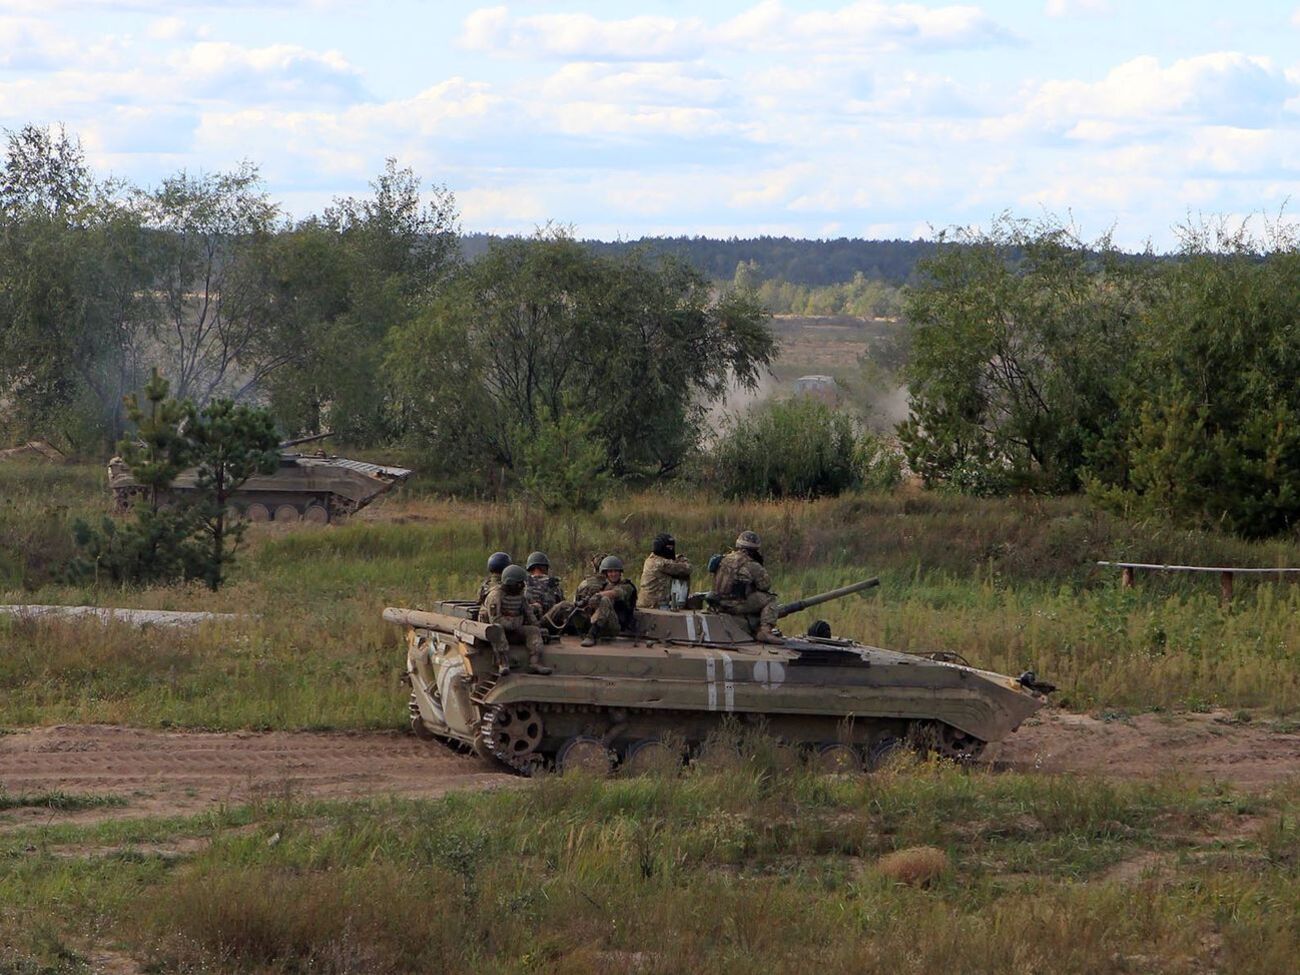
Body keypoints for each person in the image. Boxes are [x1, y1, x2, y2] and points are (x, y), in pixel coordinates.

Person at [480, 564, 553, 675]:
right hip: (497, 632)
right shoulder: (496, 596)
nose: (523, 585)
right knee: (497, 629)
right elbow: (495, 619)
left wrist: (538, 627)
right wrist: (514, 623)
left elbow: (528, 613)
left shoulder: (520, 596)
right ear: (511, 583)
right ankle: (503, 662)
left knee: (533, 631)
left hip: (514, 629)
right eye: (520, 583)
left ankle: (535, 662)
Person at [712, 530, 782, 644]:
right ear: (755, 549)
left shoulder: (722, 559)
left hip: (718, 603)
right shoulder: (752, 565)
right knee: (770, 598)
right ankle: (765, 631)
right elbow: (765, 586)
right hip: (735, 606)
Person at [578, 555, 637, 646]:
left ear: (620, 572)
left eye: (616, 571)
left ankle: (591, 635)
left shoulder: (627, 586)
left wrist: (598, 595)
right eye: (610, 571)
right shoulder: (604, 586)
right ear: (605, 573)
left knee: (605, 600)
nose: (613, 574)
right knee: (565, 606)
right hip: (598, 621)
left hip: (614, 626)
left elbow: (616, 593)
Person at [637, 532, 692, 609]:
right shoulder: (661, 563)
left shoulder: (652, 560)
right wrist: (681, 558)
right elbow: (687, 568)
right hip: (652, 607)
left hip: (647, 605)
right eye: (669, 548)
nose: (671, 550)